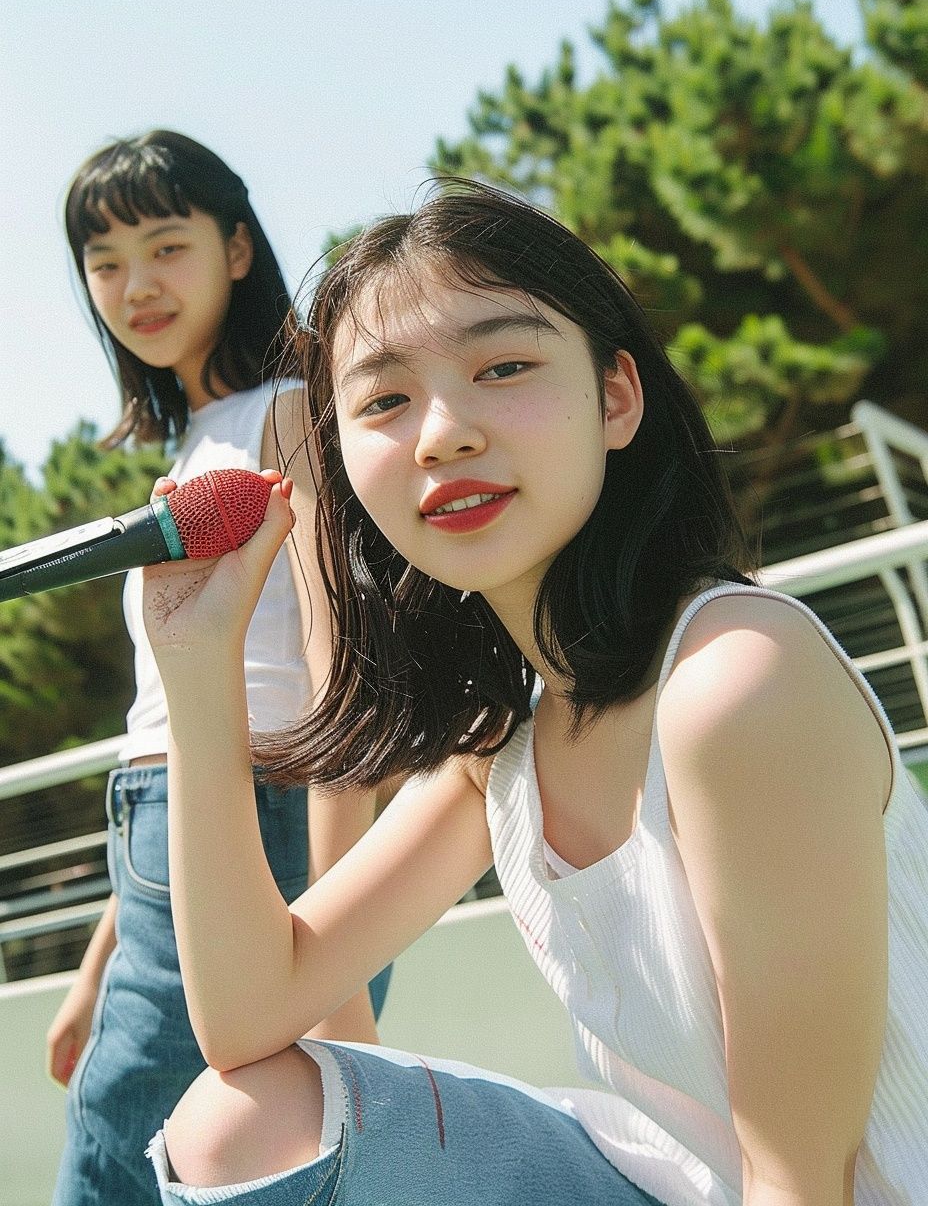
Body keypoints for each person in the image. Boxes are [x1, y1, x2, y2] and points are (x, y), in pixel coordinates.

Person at [143, 182, 926, 1205]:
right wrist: (198, 663)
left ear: (616, 397)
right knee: (241, 1119)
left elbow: (798, 1176)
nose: (442, 434)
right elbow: (249, 1014)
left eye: (502, 366)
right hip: (665, 1183)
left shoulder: (733, 682)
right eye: (383, 400)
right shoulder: (506, 742)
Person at [45, 130, 392, 1205]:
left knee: (123, 1147)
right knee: (226, 1147)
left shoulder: (286, 414)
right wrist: (97, 970)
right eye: (105, 262)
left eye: (166, 245)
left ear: (237, 248)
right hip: (178, 825)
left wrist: (341, 915)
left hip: (270, 813)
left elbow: (340, 671)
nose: (136, 285)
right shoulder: (195, 446)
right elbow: (168, 720)